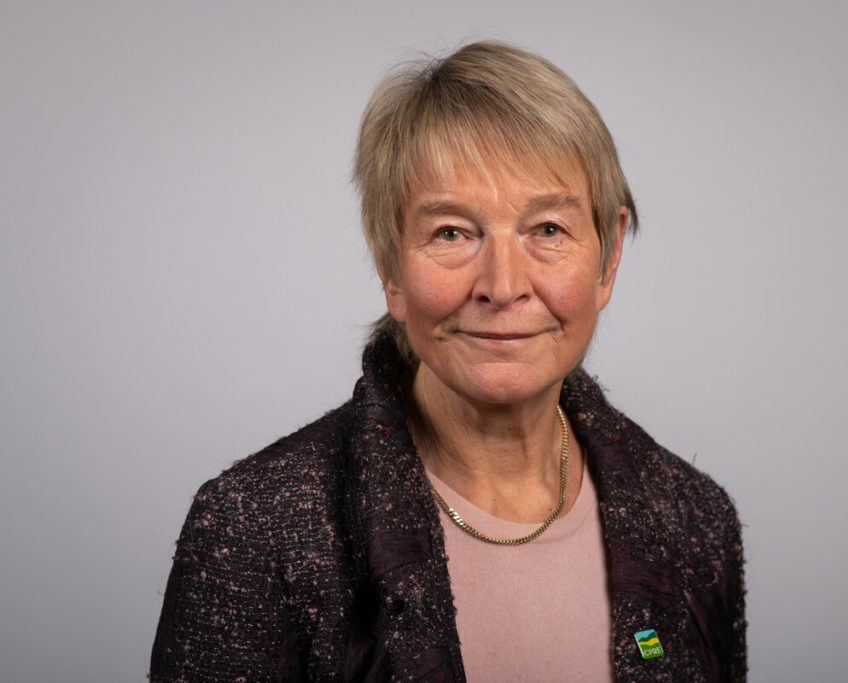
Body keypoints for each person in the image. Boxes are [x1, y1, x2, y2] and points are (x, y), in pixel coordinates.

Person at [151, 40, 746, 682]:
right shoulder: (256, 531)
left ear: (608, 259)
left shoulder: (693, 522)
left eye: (547, 229)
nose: (502, 284)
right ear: (391, 270)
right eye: (452, 233)